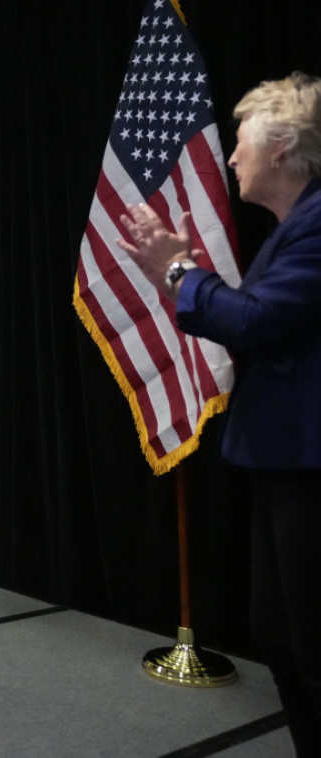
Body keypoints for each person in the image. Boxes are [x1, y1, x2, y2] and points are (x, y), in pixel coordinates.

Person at [117, 72, 321, 756]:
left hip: (309, 470)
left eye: (240, 142)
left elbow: (258, 321)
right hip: (280, 464)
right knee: (279, 639)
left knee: (311, 647)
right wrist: (174, 272)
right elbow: (251, 321)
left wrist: (179, 272)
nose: (231, 156)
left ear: (282, 144)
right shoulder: (289, 231)